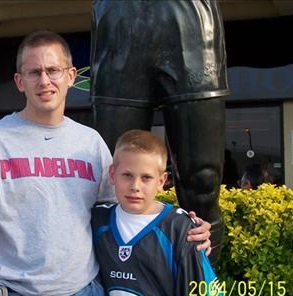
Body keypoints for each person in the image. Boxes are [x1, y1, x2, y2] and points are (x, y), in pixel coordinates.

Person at [0, 30, 211, 296]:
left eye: (53, 70)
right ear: (19, 82)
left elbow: (123, 211)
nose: (44, 81)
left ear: (71, 76)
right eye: (34, 72)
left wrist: (185, 228)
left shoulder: (91, 143)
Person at [91, 0, 228, 260]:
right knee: (111, 185)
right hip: (119, 20)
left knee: (203, 181)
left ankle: (200, 286)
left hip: (191, 22)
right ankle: (118, 283)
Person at [92, 130, 229, 296]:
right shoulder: (98, 220)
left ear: (161, 180)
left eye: (146, 177)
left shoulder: (179, 230)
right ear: (112, 174)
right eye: (127, 175)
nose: (135, 186)